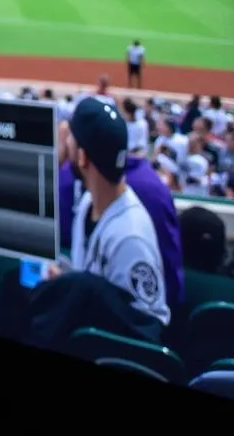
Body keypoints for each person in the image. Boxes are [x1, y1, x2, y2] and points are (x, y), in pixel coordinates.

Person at [60, 98, 170, 328]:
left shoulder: (130, 239)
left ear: (82, 157)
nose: (65, 141)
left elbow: (149, 327)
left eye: (70, 136)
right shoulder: (89, 203)